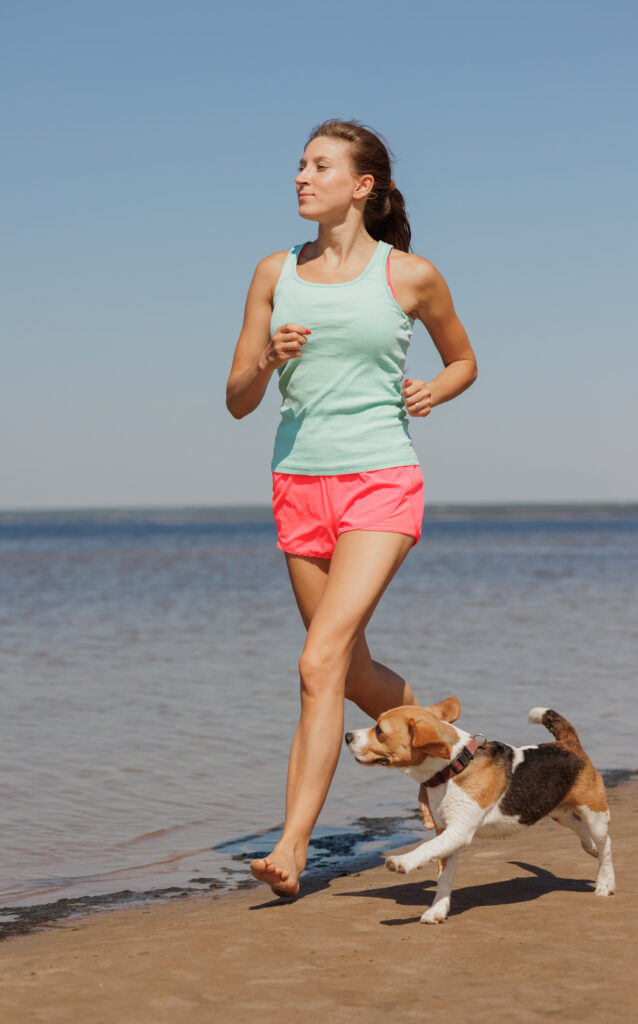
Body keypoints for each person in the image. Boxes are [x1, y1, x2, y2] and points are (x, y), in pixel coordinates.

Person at [226, 119, 477, 898]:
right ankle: (462, 757)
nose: (301, 177)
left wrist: (435, 388)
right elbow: (236, 401)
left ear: (361, 185)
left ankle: (291, 845)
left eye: (319, 166)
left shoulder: (408, 276)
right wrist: (267, 358)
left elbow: (463, 358)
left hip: (380, 481)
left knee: (316, 662)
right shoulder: (275, 273)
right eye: (299, 165)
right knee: (351, 666)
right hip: (297, 485)